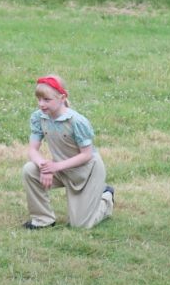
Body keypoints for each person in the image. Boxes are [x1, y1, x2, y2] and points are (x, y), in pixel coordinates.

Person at [21, 75, 115, 229]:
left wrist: (55, 167)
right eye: (38, 99)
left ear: (62, 97)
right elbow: (32, 150)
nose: (41, 104)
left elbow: (87, 154)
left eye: (46, 100)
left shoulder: (77, 121)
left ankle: (106, 197)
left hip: (87, 172)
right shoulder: (39, 118)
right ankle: (42, 220)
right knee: (29, 170)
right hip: (62, 168)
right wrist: (44, 167)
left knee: (80, 225)